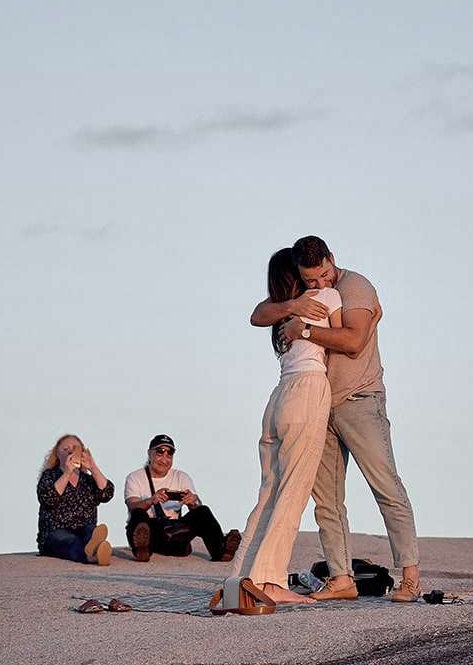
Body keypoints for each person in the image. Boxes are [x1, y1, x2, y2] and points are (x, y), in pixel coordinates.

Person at [253, 235, 422, 603]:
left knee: (385, 486)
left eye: (324, 274)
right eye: (310, 280)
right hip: (319, 407)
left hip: (360, 399)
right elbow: (258, 314)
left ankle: (409, 576)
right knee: (326, 500)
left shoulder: (355, 286)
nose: (320, 284)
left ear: (332, 259)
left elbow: (355, 340)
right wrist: (294, 304)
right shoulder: (307, 293)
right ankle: (342, 578)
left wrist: (305, 329)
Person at [214, 248, 361, 613]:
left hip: (279, 397)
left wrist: (292, 308)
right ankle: (271, 581)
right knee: (293, 492)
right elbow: (350, 339)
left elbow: (257, 314)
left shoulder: (282, 313)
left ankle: (239, 578)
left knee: (268, 493)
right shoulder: (324, 297)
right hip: (308, 390)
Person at [124, 434, 241, 562]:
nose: (164, 458)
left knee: (203, 511)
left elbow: (196, 507)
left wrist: (192, 502)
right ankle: (142, 549)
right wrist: (151, 500)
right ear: (149, 453)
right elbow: (132, 505)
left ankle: (221, 551)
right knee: (138, 513)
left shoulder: (182, 477)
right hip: (152, 533)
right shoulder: (135, 477)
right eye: (159, 452)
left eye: (169, 453)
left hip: (175, 533)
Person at [37, 434, 115, 565]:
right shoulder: (49, 476)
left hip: (84, 528)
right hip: (56, 531)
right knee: (71, 541)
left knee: (90, 532)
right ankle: (92, 556)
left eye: (75, 448)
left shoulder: (88, 479)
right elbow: (48, 499)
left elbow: (107, 494)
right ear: (57, 454)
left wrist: (93, 467)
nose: (70, 451)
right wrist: (67, 472)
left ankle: (96, 548)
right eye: (65, 449)